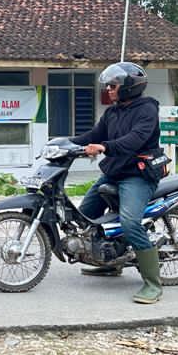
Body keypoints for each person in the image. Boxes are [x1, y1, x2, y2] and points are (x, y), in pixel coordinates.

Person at [72, 61, 165, 304]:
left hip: (137, 175)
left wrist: (104, 147)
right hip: (114, 172)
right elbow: (93, 135)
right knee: (85, 216)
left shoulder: (147, 110)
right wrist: (64, 143)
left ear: (129, 86)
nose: (108, 90)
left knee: (130, 223)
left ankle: (153, 284)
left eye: (112, 86)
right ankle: (110, 262)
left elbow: (135, 140)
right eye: (108, 86)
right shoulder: (112, 112)